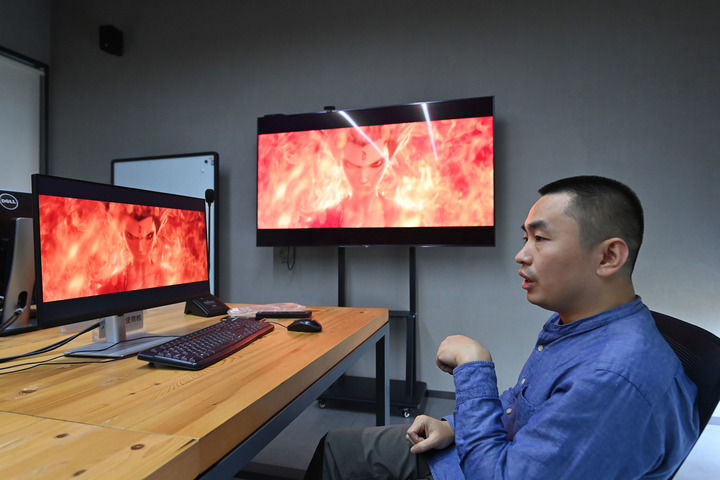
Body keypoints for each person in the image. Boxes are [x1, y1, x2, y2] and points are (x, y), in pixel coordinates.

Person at [304, 175, 699, 479]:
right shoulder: (579, 327)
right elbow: (523, 407)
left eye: (540, 238)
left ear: (609, 256)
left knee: (338, 457)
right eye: (525, 238)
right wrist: (452, 426)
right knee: (335, 447)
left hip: (479, 468)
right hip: (477, 452)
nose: (521, 255)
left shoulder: (612, 378)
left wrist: (473, 368)